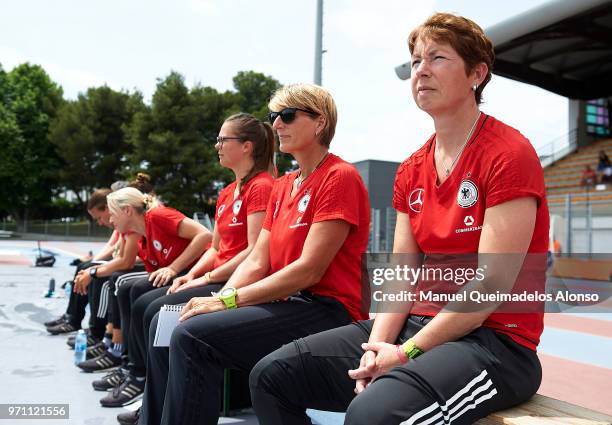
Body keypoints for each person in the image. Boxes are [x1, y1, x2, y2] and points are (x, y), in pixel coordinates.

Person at [250, 13, 550, 425]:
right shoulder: (411, 169)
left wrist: (406, 353)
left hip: (494, 343)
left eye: (437, 57)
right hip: (414, 324)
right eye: (415, 61)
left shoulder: (507, 153)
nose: (421, 70)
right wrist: (376, 348)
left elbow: (491, 284)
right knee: (272, 375)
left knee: (374, 415)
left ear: (477, 74)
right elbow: (401, 275)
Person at [137, 83, 371, 425]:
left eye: (287, 116)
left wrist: (226, 302)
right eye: (274, 116)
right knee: (176, 320)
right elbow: (258, 260)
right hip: (289, 301)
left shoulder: (339, 177)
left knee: (191, 335)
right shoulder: (282, 186)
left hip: (326, 307)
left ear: (319, 122)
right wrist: (219, 296)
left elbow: (309, 271)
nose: (276, 125)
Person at [110, 112, 275, 418]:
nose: (217, 146)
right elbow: (215, 247)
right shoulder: (227, 193)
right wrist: (192, 276)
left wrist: (204, 279)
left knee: (156, 313)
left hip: (237, 282)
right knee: (150, 308)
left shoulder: (262, 186)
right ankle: (154, 399)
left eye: (223, 140)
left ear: (247, 146)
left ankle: (156, 403)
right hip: (217, 276)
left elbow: (254, 251)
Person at [76, 187, 211, 383]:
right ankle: (131, 365)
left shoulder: (158, 216)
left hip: (200, 273)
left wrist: (174, 268)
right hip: (183, 274)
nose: (111, 221)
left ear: (127, 211)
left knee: (139, 298)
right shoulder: (142, 239)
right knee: (133, 289)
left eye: (113, 214)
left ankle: (139, 372)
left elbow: (205, 235)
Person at [45, 189, 119, 337]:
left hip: (130, 263)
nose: (99, 223)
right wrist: (94, 261)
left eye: (98, 218)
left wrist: (94, 266)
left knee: (98, 277)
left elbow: (123, 255)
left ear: (106, 207)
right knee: (84, 266)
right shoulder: (121, 220)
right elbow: (112, 245)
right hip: (123, 258)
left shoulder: (125, 218)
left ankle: (97, 330)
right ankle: (72, 317)